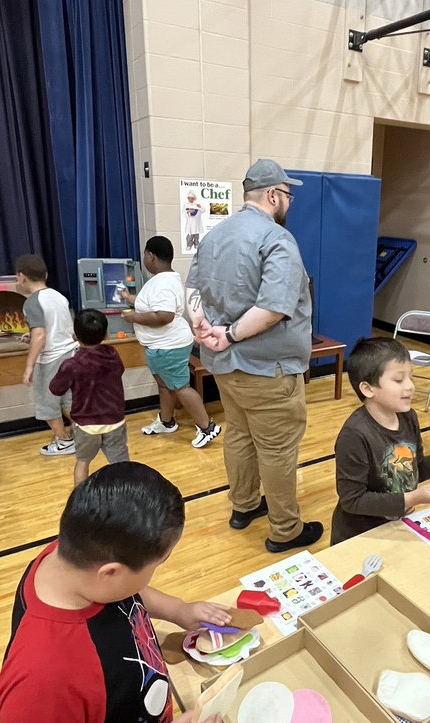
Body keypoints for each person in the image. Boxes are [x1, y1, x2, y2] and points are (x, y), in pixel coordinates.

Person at [0, 462, 230, 723]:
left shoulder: (70, 559)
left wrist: (178, 610)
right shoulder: (44, 681)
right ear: (111, 572)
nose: (154, 573)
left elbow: (128, 591)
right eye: (158, 564)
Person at [185, 158, 323, 553]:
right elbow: (274, 308)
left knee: (240, 435)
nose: (289, 203)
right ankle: (286, 530)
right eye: (289, 196)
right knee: (277, 449)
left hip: (225, 368)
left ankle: (244, 506)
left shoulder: (215, 236)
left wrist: (200, 324)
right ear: (274, 195)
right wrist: (228, 334)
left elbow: (192, 290)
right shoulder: (277, 239)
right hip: (267, 370)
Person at [331, 338, 430, 545]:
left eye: (410, 377)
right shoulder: (354, 435)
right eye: (398, 380)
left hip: (398, 526)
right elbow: (353, 500)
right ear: (368, 389)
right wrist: (413, 498)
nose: (411, 386)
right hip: (359, 536)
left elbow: (417, 468)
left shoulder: (408, 417)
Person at [121, 236, 220, 449]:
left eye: (145, 255)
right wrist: (130, 299)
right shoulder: (164, 279)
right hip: (161, 345)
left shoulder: (163, 283)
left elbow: (164, 315)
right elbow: (152, 305)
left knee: (181, 388)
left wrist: (133, 317)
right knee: (165, 385)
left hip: (169, 347)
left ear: (151, 256)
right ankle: (167, 422)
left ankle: (207, 427)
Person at [48, 310, 130, 486]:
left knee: (83, 462)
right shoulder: (113, 354)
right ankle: (126, 495)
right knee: (121, 465)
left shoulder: (72, 364)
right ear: (106, 334)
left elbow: (55, 388)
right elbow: (120, 371)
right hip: (115, 420)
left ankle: (79, 497)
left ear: (75, 336)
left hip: (86, 424)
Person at [16, 254, 78, 457]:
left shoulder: (32, 302)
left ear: (22, 277)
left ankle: (64, 441)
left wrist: (29, 366)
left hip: (51, 360)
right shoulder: (59, 296)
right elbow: (56, 328)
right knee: (68, 400)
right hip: (70, 354)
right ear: (46, 275)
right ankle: (86, 434)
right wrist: (32, 336)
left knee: (46, 403)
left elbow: (40, 335)